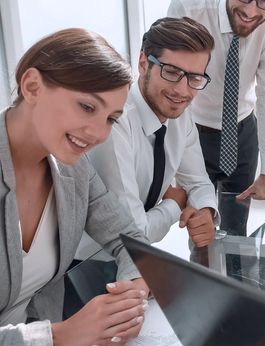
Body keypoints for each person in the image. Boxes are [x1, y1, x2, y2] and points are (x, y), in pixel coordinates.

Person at [0, 29, 151, 346]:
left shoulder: (73, 170)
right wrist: (57, 337)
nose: (98, 133)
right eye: (86, 107)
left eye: (111, 118)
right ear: (32, 86)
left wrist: (131, 295)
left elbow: (131, 239)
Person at [88, 17, 218, 248]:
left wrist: (205, 210)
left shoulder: (180, 115)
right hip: (93, 260)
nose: (181, 90)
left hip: (140, 258)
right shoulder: (114, 122)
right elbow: (132, 232)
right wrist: (174, 205)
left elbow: (198, 182)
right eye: (171, 71)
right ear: (143, 63)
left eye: (194, 78)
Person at [167, 0, 265, 236]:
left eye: (264, 1)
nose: (251, 11)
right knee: (201, 230)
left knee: (236, 229)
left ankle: (233, 273)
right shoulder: (188, 8)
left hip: (242, 133)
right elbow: (170, 80)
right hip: (195, 132)